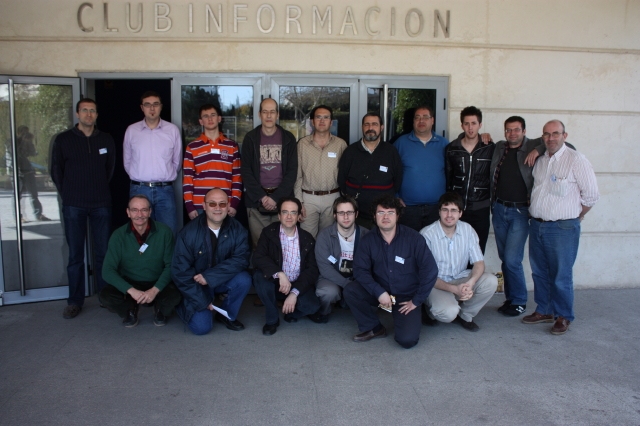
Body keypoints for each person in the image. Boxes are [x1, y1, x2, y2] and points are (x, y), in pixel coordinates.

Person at [522, 120, 599, 335]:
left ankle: (564, 315)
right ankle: (545, 310)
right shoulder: (541, 161)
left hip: (562, 228)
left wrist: (576, 216)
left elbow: (591, 195)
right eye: (546, 134)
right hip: (537, 225)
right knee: (539, 272)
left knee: (560, 275)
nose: (551, 138)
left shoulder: (576, 160)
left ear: (565, 136)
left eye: (555, 133)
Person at [344, 194, 437, 349]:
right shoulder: (368, 240)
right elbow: (360, 270)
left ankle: (411, 315)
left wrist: (417, 300)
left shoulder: (414, 238)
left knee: (407, 340)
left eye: (390, 212)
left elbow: (431, 270)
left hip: (406, 297)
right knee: (351, 290)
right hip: (380, 292)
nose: (385, 217)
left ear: (398, 216)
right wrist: (378, 291)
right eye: (381, 212)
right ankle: (374, 328)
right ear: (374, 216)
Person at [51, 98, 115, 319]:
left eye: (92, 110)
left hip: (101, 204)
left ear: (97, 114)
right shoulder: (63, 140)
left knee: (104, 253)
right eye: (85, 110)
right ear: (77, 113)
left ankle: (105, 297)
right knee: (75, 256)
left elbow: (110, 170)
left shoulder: (106, 139)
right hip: (74, 205)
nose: (89, 114)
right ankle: (75, 301)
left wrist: (96, 189)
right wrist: (69, 194)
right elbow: (56, 171)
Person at [172, 188, 252, 335]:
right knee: (201, 328)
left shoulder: (238, 229)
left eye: (222, 204)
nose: (217, 208)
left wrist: (209, 276)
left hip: (218, 279)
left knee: (244, 279)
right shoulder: (188, 233)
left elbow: (241, 260)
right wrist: (202, 301)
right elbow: (180, 273)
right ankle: (184, 305)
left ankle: (226, 315)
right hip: (196, 285)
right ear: (204, 206)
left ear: (228, 206)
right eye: (212, 204)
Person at [490, 116, 545, 317]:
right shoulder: (500, 147)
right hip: (499, 209)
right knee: (505, 259)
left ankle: (520, 300)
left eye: (516, 129)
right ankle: (511, 299)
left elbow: (560, 143)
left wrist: (538, 149)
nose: (512, 133)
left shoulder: (532, 145)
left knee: (513, 260)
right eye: (508, 130)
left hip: (519, 213)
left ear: (524, 131)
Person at [420, 192, 498, 331]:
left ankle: (465, 315)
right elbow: (425, 275)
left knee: (491, 281)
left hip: (460, 278)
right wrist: (454, 289)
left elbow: (479, 263)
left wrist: (470, 283)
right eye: (445, 210)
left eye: (454, 210)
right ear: (439, 212)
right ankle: (429, 309)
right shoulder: (427, 234)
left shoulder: (467, 230)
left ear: (460, 213)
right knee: (448, 313)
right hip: (435, 283)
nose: (449, 215)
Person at [99, 195, 181, 327]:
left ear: (150, 211)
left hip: (157, 281)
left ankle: (159, 308)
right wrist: (132, 291)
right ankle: (130, 308)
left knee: (177, 294)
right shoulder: (118, 235)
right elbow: (107, 271)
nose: (139, 214)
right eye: (134, 210)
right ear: (128, 212)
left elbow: (171, 265)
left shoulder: (164, 232)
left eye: (144, 210)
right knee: (105, 296)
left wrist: (154, 290)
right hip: (130, 283)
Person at [252, 197, 321, 336]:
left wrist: (294, 293)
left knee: (313, 307)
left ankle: (291, 313)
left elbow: (312, 269)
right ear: (279, 215)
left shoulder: (307, 238)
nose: (289, 216)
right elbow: (258, 257)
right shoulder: (269, 232)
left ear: (299, 216)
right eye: (285, 212)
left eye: (293, 212)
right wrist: (279, 273)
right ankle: (272, 319)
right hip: (275, 282)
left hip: (297, 283)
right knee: (259, 277)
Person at [240, 98, 298, 247]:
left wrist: (276, 198)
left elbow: (292, 172)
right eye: (265, 112)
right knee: (260, 245)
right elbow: (246, 171)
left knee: (284, 245)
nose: (269, 115)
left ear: (278, 114)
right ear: (259, 114)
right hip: (256, 202)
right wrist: (262, 197)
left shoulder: (288, 138)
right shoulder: (250, 138)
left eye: (272, 112)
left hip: (283, 201)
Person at [123, 91, 182, 235]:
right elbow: (127, 161)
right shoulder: (132, 131)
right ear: (142, 107)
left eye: (155, 104)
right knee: (140, 232)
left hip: (165, 190)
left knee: (168, 233)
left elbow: (177, 161)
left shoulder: (172, 130)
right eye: (147, 105)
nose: (152, 108)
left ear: (161, 107)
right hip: (139, 189)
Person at [338, 113, 403, 229]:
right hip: (357, 215)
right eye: (367, 124)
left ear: (381, 127)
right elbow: (341, 179)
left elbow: (398, 179)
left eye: (374, 124)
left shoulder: (391, 151)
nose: (370, 128)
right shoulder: (350, 151)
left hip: (384, 214)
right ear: (362, 127)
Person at [313, 195, 368, 323]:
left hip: (357, 278)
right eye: (341, 213)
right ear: (335, 215)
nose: (346, 217)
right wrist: (346, 284)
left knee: (369, 294)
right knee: (328, 293)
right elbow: (325, 268)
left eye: (350, 212)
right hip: (330, 277)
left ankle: (347, 303)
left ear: (356, 214)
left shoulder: (366, 235)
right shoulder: (324, 236)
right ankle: (324, 312)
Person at [295, 105, 347, 237]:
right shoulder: (302, 144)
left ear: (331, 122)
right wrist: (299, 201)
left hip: (333, 198)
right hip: (308, 198)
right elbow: (298, 175)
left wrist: (344, 200)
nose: (322, 121)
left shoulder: (341, 144)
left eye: (326, 117)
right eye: (318, 117)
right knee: (307, 238)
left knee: (329, 238)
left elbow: (346, 174)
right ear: (312, 121)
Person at [183, 104, 242, 220]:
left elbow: (237, 178)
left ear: (219, 119)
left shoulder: (232, 146)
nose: (210, 119)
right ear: (201, 121)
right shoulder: (192, 147)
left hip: (225, 205)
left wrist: (234, 203)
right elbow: (187, 180)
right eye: (205, 116)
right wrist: (189, 206)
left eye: (213, 115)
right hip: (200, 206)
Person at [395, 105, 449, 231]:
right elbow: (391, 172)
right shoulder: (400, 143)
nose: (421, 121)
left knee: (434, 243)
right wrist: (395, 196)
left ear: (432, 120)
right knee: (409, 243)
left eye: (425, 117)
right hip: (407, 209)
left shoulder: (444, 144)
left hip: (437, 208)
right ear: (413, 121)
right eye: (417, 117)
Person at [14, 128, 51, 222]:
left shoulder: (27, 142)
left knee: (33, 194)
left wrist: (28, 143)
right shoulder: (13, 142)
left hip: (27, 170)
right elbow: (14, 155)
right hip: (18, 171)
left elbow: (33, 153)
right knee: (18, 195)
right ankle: (18, 216)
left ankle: (38, 214)